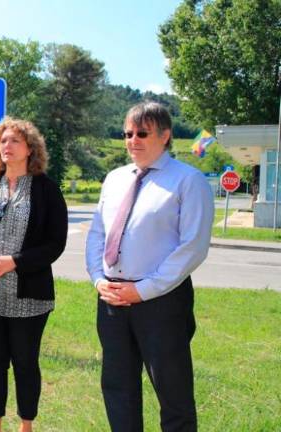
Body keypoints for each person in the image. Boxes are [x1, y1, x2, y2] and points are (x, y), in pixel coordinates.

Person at [85, 102, 214, 431]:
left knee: (173, 392)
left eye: (142, 133)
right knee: (117, 388)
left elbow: (193, 247)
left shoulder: (188, 180)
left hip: (162, 301)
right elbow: (98, 233)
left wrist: (143, 290)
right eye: (127, 134)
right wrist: (98, 279)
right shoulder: (114, 179)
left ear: (165, 135)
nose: (132, 140)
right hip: (112, 298)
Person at [0, 116, 68, 432]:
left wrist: (16, 262)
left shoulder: (47, 190)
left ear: (30, 148)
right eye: (3, 141)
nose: (7, 146)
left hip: (29, 296)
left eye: (15, 141)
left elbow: (55, 243)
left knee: (25, 363)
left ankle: (26, 425)